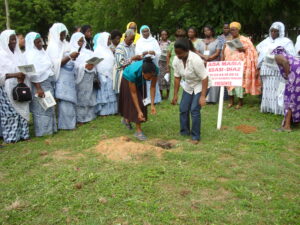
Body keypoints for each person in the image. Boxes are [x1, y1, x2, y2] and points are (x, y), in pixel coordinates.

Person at [171, 39, 209, 144]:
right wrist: (175, 95)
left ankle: (195, 136)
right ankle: (184, 132)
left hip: (201, 84)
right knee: (183, 108)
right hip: (189, 85)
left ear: (187, 50)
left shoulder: (195, 60)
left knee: (194, 110)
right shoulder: (176, 60)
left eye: (180, 53)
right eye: (176, 52)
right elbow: (177, 78)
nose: (178, 55)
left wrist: (202, 96)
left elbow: (205, 78)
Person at [256, 22, 296, 115]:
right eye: (272, 31)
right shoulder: (266, 41)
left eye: (276, 31)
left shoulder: (286, 41)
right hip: (266, 69)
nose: (273, 33)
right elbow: (258, 50)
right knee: (267, 89)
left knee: (279, 89)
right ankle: (268, 108)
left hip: (279, 70)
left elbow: (291, 55)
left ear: (280, 32)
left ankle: (278, 109)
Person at [46, 23, 79, 130]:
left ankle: (72, 122)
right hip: (61, 77)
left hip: (69, 76)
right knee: (64, 100)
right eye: (61, 34)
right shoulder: (52, 46)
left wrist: (73, 57)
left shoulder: (65, 43)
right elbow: (54, 63)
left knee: (71, 100)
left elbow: (70, 56)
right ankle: (65, 125)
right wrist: (70, 56)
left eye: (65, 34)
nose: (63, 36)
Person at [24, 32, 57, 137]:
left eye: (40, 41)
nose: (40, 44)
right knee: (41, 109)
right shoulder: (30, 55)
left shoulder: (42, 52)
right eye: (37, 42)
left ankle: (50, 129)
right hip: (39, 85)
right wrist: (38, 88)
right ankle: (43, 132)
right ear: (31, 43)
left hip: (47, 82)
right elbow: (32, 74)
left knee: (49, 106)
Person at [0, 30, 30, 143]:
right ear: (4, 41)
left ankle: (24, 135)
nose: (13, 41)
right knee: (10, 114)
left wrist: (25, 73)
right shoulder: (1, 54)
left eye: (14, 39)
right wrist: (15, 75)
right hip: (6, 88)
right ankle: (12, 138)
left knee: (23, 109)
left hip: (21, 85)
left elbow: (25, 67)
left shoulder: (19, 54)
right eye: (11, 39)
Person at [222, 22, 261, 109]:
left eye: (234, 29)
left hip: (240, 65)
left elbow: (251, 51)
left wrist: (240, 47)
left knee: (239, 83)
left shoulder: (244, 39)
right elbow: (224, 50)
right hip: (229, 64)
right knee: (229, 83)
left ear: (238, 30)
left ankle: (240, 102)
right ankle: (231, 101)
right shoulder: (228, 39)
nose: (232, 31)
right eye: (231, 30)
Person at [119, 57, 158, 141]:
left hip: (140, 80)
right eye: (148, 78)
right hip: (127, 79)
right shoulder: (133, 72)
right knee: (135, 103)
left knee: (143, 102)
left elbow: (153, 87)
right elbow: (134, 93)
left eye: (151, 77)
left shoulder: (154, 70)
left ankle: (126, 120)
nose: (150, 79)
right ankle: (138, 131)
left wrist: (152, 105)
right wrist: (139, 111)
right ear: (143, 73)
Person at [70, 32, 97, 124]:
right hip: (80, 77)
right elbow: (73, 64)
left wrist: (92, 65)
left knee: (89, 96)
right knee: (81, 98)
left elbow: (94, 61)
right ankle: (80, 118)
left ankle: (89, 116)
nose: (81, 43)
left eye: (82, 41)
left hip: (89, 77)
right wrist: (84, 66)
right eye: (79, 41)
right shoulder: (71, 52)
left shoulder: (87, 52)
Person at [272, 46, 300, 132]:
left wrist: (288, 76)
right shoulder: (287, 55)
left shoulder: (277, 55)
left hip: (295, 76)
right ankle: (295, 121)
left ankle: (287, 126)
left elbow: (285, 62)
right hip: (298, 73)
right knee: (297, 98)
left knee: (289, 99)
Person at [136, 25, 161, 104]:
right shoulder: (139, 41)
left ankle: (155, 99)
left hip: (153, 61)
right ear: (141, 32)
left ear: (149, 31)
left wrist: (154, 53)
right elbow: (137, 53)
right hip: (144, 63)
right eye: (144, 31)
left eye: (147, 31)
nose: (145, 33)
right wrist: (143, 53)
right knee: (145, 80)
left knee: (153, 79)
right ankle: (147, 99)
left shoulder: (153, 40)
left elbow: (159, 52)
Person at [94, 32, 118, 116]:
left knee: (110, 92)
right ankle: (103, 112)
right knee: (104, 93)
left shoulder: (109, 50)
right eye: (108, 39)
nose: (109, 41)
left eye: (109, 39)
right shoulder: (98, 51)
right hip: (102, 75)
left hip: (110, 74)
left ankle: (112, 110)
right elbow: (95, 64)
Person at [196, 25, 222, 103]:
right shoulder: (200, 42)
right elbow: (197, 52)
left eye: (208, 30)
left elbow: (217, 53)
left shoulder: (217, 41)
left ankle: (212, 99)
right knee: (203, 79)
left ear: (211, 31)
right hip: (202, 63)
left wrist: (209, 59)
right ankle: (203, 97)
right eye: (205, 31)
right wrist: (204, 57)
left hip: (213, 64)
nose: (206, 32)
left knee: (213, 81)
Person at [113, 29, 142, 94]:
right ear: (125, 37)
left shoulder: (132, 46)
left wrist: (138, 58)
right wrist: (132, 58)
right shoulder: (119, 48)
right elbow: (120, 63)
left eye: (133, 39)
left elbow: (133, 59)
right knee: (125, 96)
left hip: (131, 74)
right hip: (123, 76)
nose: (132, 41)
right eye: (130, 39)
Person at [166, 28, 187, 99]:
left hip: (183, 66)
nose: (179, 38)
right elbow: (168, 56)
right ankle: (173, 97)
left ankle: (181, 98)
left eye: (181, 36)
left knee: (183, 82)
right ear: (176, 37)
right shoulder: (172, 44)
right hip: (173, 67)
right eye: (178, 36)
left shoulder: (186, 44)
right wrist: (168, 66)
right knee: (173, 83)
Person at [158, 30, 171, 99]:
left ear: (167, 35)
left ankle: (168, 95)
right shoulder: (158, 43)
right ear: (161, 35)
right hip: (160, 63)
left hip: (167, 62)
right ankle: (161, 95)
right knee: (160, 78)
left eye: (165, 34)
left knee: (168, 78)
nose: (164, 36)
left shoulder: (170, 43)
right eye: (162, 34)